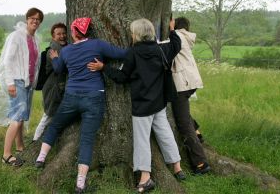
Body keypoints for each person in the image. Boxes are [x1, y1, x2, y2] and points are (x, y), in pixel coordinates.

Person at [88, 18, 186, 193]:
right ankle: (177, 167)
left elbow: (121, 77)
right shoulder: (161, 49)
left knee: (142, 141)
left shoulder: (133, 53)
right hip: (159, 102)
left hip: (142, 105)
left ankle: (145, 178)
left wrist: (104, 68)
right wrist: (172, 30)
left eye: (132, 32)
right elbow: (177, 44)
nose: (131, 35)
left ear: (137, 35)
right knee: (165, 133)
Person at [35, 17, 127, 193]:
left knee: (55, 125)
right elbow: (122, 54)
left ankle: (41, 158)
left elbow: (58, 69)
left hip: (72, 96)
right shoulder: (98, 45)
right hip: (94, 97)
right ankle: (80, 184)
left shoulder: (67, 51)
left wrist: (55, 58)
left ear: (74, 32)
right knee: (87, 139)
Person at [0, 7, 43, 167]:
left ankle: (20, 148)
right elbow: (7, 61)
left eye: (38, 19)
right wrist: (10, 83)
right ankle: (6, 155)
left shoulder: (34, 39)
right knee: (17, 118)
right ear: (27, 19)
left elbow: (34, 64)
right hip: (17, 81)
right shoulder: (16, 37)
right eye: (32, 18)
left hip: (28, 83)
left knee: (22, 117)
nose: (35, 21)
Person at [170, 17, 210, 174]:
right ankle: (198, 132)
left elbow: (165, 46)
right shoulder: (184, 37)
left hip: (183, 84)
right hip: (189, 82)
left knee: (184, 124)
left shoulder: (178, 36)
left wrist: (171, 30)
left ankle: (201, 163)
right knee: (183, 114)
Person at [32, 23, 68, 141]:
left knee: (54, 115)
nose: (62, 36)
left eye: (63, 33)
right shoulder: (54, 51)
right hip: (53, 88)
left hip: (59, 87)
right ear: (53, 37)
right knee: (48, 116)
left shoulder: (63, 48)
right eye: (58, 34)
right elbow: (61, 68)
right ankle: (35, 140)